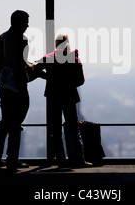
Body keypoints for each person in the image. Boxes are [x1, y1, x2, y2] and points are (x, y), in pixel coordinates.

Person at [34, 34, 92, 168]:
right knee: (73, 128)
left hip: (53, 95)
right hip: (69, 96)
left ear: (56, 44)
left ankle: (61, 161)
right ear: (67, 43)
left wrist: (49, 77)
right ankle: (79, 160)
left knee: (56, 129)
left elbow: (36, 70)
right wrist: (68, 84)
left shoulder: (50, 58)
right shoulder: (74, 59)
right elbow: (81, 80)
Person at [0, 10, 36, 171]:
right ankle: (12, 159)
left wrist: (1, 79)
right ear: (20, 22)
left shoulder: (1, 38)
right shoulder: (22, 40)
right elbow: (20, 65)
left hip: (5, 87)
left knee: (5, 123)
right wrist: (27, 80)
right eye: (26, 22)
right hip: (18, 88)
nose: (28, 25)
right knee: (16, 124)